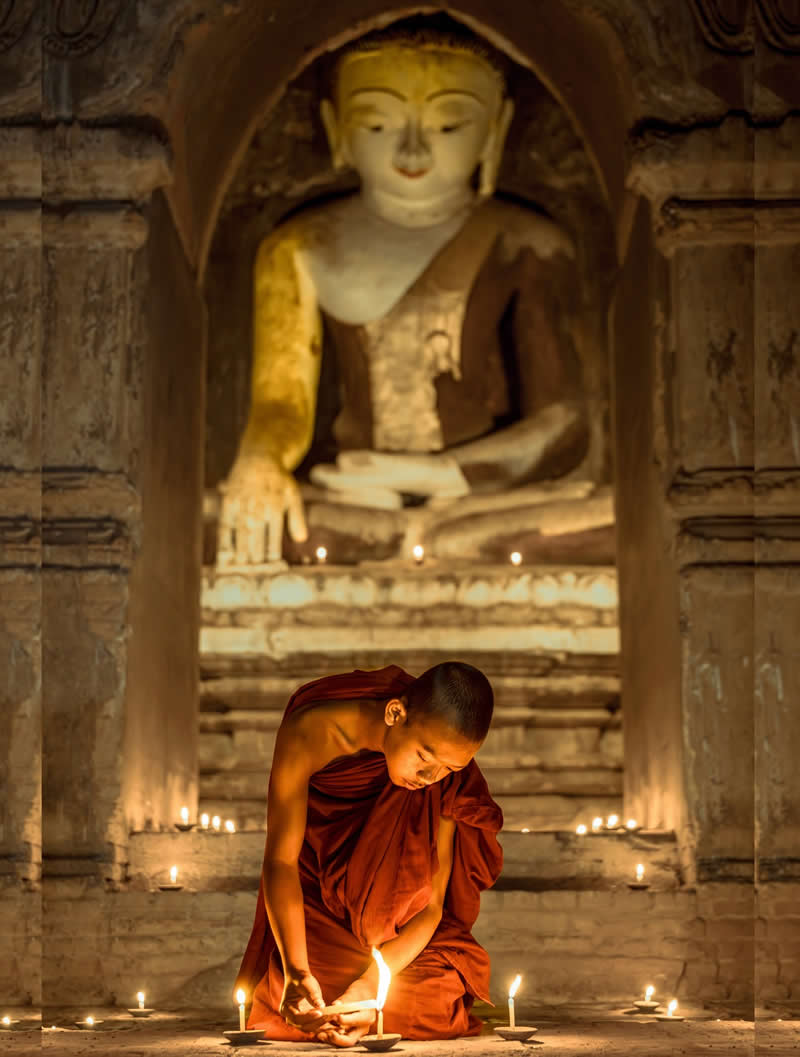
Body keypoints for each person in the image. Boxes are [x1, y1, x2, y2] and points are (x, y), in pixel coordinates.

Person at [218, 18, 613, 567]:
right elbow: (281, 401)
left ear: (495, 129)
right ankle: (416, 540)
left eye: (449, 125)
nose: (412, 146)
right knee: (222, 519)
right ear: (337, 129)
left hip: (484, 500)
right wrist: (260, 463)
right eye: (377, 124)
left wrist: (433, 474)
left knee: (618, 520)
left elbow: (563, 421)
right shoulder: (299, 247)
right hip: (353, 500)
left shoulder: (528, 243)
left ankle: (425, 538)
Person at [235, 661, 503, 1045]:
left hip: (393, 930)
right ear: (396, 712)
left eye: (449, 769)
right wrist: (296, 971)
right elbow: (280, 861)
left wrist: (372, 986)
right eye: (425, 758)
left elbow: (432, 907)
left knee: (432, 1002)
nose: (430, 779)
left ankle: (365, 1009)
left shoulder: (444, 775)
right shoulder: (309, 731)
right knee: (306, 997)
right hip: (319, 899)